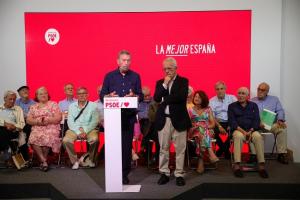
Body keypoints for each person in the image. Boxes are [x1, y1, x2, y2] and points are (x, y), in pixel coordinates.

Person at [100, 50, 143, 184]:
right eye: (123, 60)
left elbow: (140, 95)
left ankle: (124, 174)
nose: (126, 63)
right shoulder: (109, 76)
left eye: (128, 60)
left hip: (128, 117)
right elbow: (102, 95)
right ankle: (113, 173)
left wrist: (135, 96)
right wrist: (107, 97)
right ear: (118, 61)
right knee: (113, 146)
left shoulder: (136, 76)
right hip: (113, 117)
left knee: (125, 147)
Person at [154, 57, 191, 186]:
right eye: (165, 69)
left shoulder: (183, 81)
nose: (167, 71)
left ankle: (179, 174)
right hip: (164, 120)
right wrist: (165, 84)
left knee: (180, 149)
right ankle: (164, 173)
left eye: (169, 68)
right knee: (163, 148)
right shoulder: (160, 82)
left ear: (176, 68)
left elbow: (181, 97)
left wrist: (165, 99)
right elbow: (157, 98)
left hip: (179, 120)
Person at [228, 87, 268, 178]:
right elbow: (232, 121)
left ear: (247, 96)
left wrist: (250, 131)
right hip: (238, 130)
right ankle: (237, 166)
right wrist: (243, 132)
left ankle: (261, 166)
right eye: (239, 93)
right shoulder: (232, 106)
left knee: (258, 136)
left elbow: (256, 120)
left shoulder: (253, 105)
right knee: (237, 137)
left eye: (243, 93)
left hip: (252, 130)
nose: (240, 95)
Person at [251, 82, 289, 164]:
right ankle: (254, 155)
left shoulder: (274, 99)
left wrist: (280, 120)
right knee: (250, 129)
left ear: (267, 91)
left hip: (270, 125)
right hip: (257, 126)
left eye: (263, 90)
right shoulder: (252, 100)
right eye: (258, 89)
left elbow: (280, 110)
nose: (260, 91)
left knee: (282, 128)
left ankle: (281, 154)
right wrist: (256, 123)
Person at [63, 87, 99, 170]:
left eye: (84, 93)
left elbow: (94, 121)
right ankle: (75, 161)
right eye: (79, 93)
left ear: (87, 95)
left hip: (89, 129)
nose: (82, 95)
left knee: (94, 139)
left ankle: (91, 160)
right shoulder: (71, 106)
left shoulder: (93, 105)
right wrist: (78, 131)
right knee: (66, 140)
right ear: (77, 95)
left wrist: (85, 130)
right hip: (74, 129)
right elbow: (70, 122)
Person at [27, 87, 62, 172]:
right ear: (37, 96)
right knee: (33, 137)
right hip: (37, 126)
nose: (43, 95)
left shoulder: (53, 104)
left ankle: (43, 161)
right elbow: (28, 120)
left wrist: (47, 120)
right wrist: (38, 122)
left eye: (45, 93)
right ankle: (44, 161)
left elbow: (58, 118)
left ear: (48, 95)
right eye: (41, 94)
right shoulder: (33, 107)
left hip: (51, 126)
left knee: (48, 136)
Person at [188, 90, 219, 174]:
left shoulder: (208, 109)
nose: (196, 98)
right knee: (201, 131)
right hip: (193, 131)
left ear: (203, 99)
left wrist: (205, 126)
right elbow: (188, 124)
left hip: (205, 132)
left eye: (199, 97)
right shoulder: (189, 110)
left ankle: (201, 161)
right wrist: (196, 126)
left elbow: (212, 124)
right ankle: (210, 153)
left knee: (202, 132)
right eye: (195, 96)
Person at [209, 81, 237, 159]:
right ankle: (225, 150)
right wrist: (219, 126)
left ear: (225, 89)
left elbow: (236, 113)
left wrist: (230, 124)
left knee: (234, 132)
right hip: (217, 122)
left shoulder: (232, 98)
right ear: (215, 90)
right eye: (217, 89)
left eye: (221, 88)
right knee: (211, 132)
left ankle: (221, 150)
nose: (220, 91)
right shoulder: (211, 101)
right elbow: (212, 117)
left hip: (230, 121)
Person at [0, 91, 25, 167]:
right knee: (2, 130)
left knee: (3, 131)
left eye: (14, 99)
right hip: (2, 129)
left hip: (13, 131)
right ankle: (6, 155)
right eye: (10, 99)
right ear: (5, 99)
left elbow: (22, 124)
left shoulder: (18, 109)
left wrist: (14, 126)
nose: (12, 101)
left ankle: (5, 154)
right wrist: (4, 124)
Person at [15, 86, 36, 161]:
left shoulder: (34, 103)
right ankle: (24, 156)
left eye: (26, 90)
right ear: (19, 94)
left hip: (29, 125)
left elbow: (34, 116)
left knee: (25, 131)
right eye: (23, 90)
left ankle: (24, 157)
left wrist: (25, 116)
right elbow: (15, 114)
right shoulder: (16, 102)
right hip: (18, 124)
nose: (25, 91)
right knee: (22, 134)